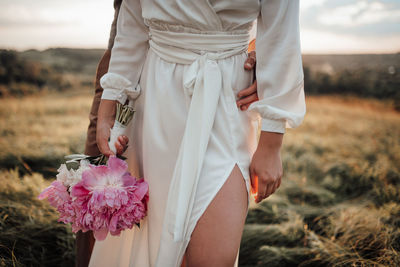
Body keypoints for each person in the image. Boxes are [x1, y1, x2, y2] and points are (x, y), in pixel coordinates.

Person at [89, 0, 306, 266]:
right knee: (156, 237)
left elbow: (282, 35)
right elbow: (132, 24)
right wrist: (109, 105)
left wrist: (272, 141)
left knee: (214, 257)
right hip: (157, 96)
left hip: (227, 98)